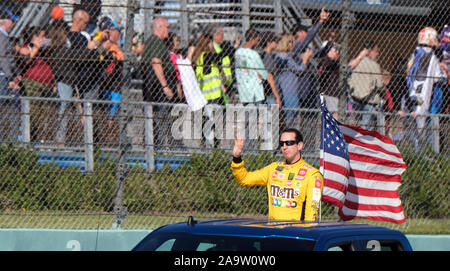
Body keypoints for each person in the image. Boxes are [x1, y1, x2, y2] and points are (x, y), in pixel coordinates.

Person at [231, 128, 324, 221]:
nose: (284, 147)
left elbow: (311, 213)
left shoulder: (312, 174)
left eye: (289, 143)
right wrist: (236, 157)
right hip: (273, 230)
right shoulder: (273, 168)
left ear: (299, 145)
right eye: (281, 143)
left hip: (295, 232)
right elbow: (245, 179)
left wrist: (305, 231)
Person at [395, 27, 444, 151]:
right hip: (421, 99)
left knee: (410, 131)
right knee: (420, 134)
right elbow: (438, 78)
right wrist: (445, 76)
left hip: (408, 98)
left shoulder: (414, 55)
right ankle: (420, 158)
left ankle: (408, 153)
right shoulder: (431, 57)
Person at [291, 7, 330, 108]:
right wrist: (320, 21)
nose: (307, 34)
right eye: (305, 31)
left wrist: (329, 44)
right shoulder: (296, 46)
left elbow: (318, 53)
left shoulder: (305, 47)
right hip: (299, 87)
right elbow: (310, 37)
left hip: (309, 86)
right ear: (299, 33)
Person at [274, 34, 313, 129]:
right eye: (291, 42)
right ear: (286, 43)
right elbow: (299, 71)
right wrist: (305, 60)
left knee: (288, 118)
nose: (293, 44)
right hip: (291, 91)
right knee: (291, 120)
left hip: (284, 90)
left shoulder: (278, 56)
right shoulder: (286, 57)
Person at [347, 40, 384, 130]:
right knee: (366, 129)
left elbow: (348, 79)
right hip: (369, 101)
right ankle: (362, 143)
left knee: (358, 126)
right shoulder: (375, 66)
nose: (377, 54)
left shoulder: (354, 62)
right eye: (376, 51)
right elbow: (379, 85)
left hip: (355, 100)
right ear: (370, 51)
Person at [0, 9, 21, 141]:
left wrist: (17, 72)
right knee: (7, 108)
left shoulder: (4, 36)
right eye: (11, 21)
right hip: (2, 77)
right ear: (4, 22)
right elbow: (2, 58)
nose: (13, 23)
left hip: (4, 75)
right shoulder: (1, 37)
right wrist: (10, 77)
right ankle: (7, 139)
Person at [234, 28, 268, 105]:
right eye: (258, 40)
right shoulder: (254, 54)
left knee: (248, 114)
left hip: (243, 89)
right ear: (252, 39)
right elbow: (264, 74)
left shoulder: (238, 52)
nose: (259, 42)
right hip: (255, 91)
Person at [318, 42, 341, 120]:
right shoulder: (326, 61)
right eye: (335, 50)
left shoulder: (334, 62)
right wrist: (329, 57)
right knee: (335, 117)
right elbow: (321, 72)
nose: (337, 52)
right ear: (328, 51)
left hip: (335, 94)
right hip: (331, 94)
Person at [260, 31, 282, 108]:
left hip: (267, 93)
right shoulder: (268, 57)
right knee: (272, 119)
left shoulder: (264, 55)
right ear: (268, 43)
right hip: (271, 95)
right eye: (275, 41)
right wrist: (277, 96)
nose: (277, 43)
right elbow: (269, 77)